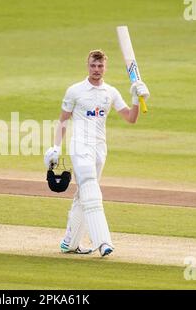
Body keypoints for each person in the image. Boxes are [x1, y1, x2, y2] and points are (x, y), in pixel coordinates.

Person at [44, 49, 149, 256]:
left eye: (100, 66)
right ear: (87, 65)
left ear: (105, 67)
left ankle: (69, 242)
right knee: (91, 188)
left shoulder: (110, 92)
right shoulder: (75, 90)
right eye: (93, 65)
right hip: (79, 146)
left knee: (84, 195)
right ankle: (103, 241)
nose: (97, 69)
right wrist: (56, 146)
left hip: (100, 149)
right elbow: (63, 120)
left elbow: (131, 118)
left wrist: (136, 98)